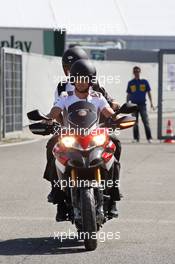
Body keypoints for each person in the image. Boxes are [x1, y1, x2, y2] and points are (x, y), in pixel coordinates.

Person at [44, 47, 121, 207]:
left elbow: (108, 103)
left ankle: (113, 187)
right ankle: (56, 189)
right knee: (52, 145)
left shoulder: (95, 88)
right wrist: (52, 122)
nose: (71, 71)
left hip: (94, 130)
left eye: (75, 67)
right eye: (68, 67)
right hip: (69, 130)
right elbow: (56, 109)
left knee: (115, 143)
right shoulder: (62, 89)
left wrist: (116, 111)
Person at [126, 66, 154, 143]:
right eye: (135, 72)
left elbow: (149, 93)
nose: (136, 73)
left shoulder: (144, 82)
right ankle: (136, 138)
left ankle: (149, 138)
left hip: (142, 105)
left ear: (140, 72)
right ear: (133, 73)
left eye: (138, 71)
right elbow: (128, 94)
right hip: (133, 105)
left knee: (146, 121)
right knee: (134, 122)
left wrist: (151, 103)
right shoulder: (131, 83)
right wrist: (127, 104)